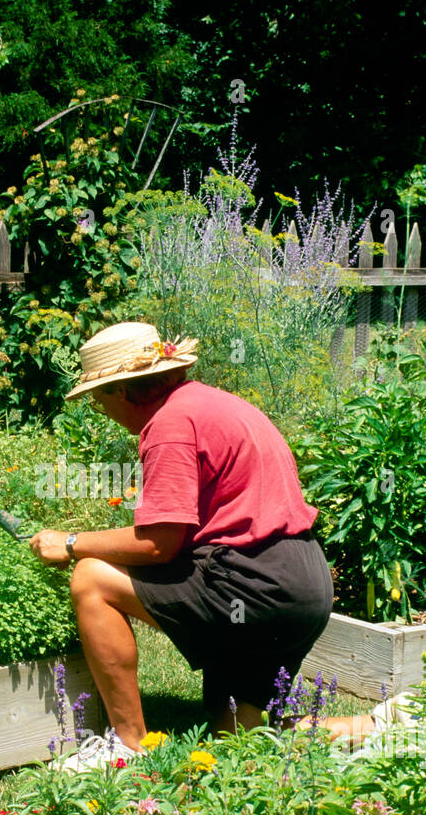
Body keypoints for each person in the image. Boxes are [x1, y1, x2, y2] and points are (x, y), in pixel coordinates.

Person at [29, 321, 337, 765]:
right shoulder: (214, 404)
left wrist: (72, 542)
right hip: (303, 582)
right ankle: (374, 727)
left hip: (252, 587)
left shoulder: (169, 424)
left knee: (92, 579)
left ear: (123, 391)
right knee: (239, 740)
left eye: (99, 401)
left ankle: (126, 748)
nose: (102, 412)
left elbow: (159, 545)